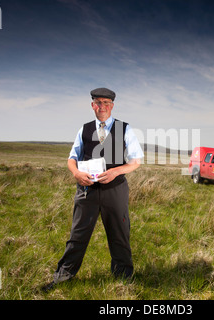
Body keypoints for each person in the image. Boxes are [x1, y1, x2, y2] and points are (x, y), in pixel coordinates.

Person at [42, 88, 144, 292]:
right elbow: (72, 158)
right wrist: (76, 174)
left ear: (112, 106)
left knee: (119, 233)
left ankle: (123, 277)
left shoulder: (124, 128)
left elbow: (136, 161)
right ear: (92, 105)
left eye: (106, 103)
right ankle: (62, 277)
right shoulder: (85, 129)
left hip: (114, 190)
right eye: (98, 102)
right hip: (86, 191)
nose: (102, 107)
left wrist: (116, 172)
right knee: (77, 235)